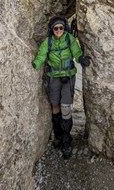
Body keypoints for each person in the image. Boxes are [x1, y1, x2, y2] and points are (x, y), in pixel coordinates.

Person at [32, 17, 91, 159]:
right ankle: (58, 135)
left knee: (65, 107)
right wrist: (36, 63)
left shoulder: (69, 39)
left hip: (68, 77)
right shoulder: (48, 41)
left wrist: (81, 59)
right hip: (54, 77)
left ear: (64, 29)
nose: (59, 31)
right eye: (56, 28)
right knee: (55, 106)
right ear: (52, 30)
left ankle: (66, 140)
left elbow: (76, 53)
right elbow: (41, 54)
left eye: (61, 28)